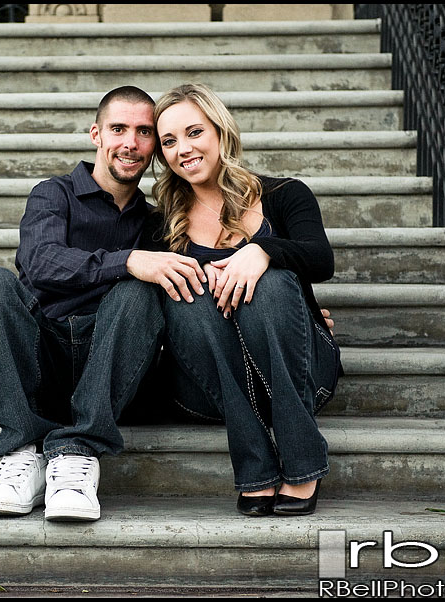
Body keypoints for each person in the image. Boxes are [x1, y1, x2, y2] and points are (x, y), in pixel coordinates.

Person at [0, 86, 208, 521]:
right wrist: (129, 261)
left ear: (155, 145)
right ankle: (24, 452)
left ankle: (78, 451)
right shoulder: (52, 195)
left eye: (144, 132)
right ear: (97, 134)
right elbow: (40, 265)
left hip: (112, 371)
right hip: (47, 363)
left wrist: (299, 303)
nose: (130, 143)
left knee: (139, 293)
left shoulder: (157, 222)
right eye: (118, 129)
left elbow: (206, 268)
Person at [145, 83, 342, 516]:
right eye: (169, 141)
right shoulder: (160, 224)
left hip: (297, 372)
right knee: (181, 288)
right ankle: (256, 468)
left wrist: (261, 251)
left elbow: (321, 260)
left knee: (270, 284)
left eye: (194, 132)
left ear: (220, 131)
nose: (184, 149)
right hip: (210, 386)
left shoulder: (285, 195)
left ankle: (302, 464)